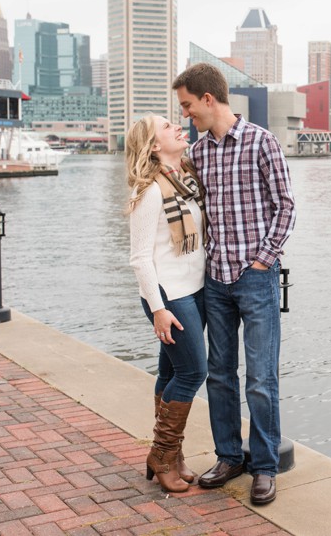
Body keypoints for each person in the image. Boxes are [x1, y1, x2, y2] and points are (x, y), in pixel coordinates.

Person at [174, 64, 296, 505]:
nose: (187, 115)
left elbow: (286, 206)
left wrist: (264, 261)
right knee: (220, 377)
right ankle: (229, 457)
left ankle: (264, 467)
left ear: (209, 99)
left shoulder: (263, 142)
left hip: (254, 278)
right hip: (215, 279)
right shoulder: (199, 152)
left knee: (261, 378)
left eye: (188, 105)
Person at [126, 115, 208, 493]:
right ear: (154, 145)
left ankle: (173, 456)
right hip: (170, 296)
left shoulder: (186, 180)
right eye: (167, 126)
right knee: (193, 373)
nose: (178, 126)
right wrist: (158, 308)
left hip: (194, 289)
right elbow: (140, 258)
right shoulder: (150, 191)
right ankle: (161, 454)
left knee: (171, 372)